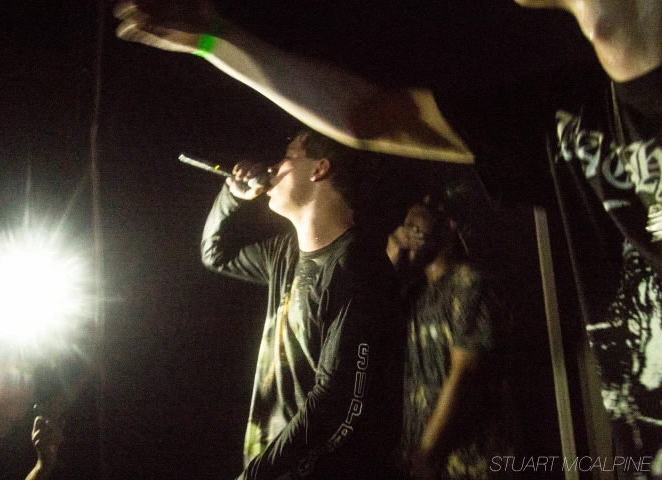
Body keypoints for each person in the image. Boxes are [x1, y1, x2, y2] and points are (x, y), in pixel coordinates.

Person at [114, 0, 662, 465]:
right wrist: (212, 38)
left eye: (290, 155)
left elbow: (343, 398)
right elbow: (366, 118)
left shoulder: (363, 270)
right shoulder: (563, 118)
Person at [200, 128, 402, 479]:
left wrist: (257, 475)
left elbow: (335, 401)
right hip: (270, 468)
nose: (274, 167)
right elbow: (215, 253)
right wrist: (231, 196)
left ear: (319, 169)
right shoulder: (284, 252)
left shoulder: (359, 268)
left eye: (288, 156)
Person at [387, 200, 514, 479]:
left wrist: (426, 452)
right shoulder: (413, 295)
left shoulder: (467, 281)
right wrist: (391, 255)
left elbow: (465, 371)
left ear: (447, 228)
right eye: (405, 225)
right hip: (424, 466)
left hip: (470, 462)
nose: (410, 230)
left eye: (418, 222)